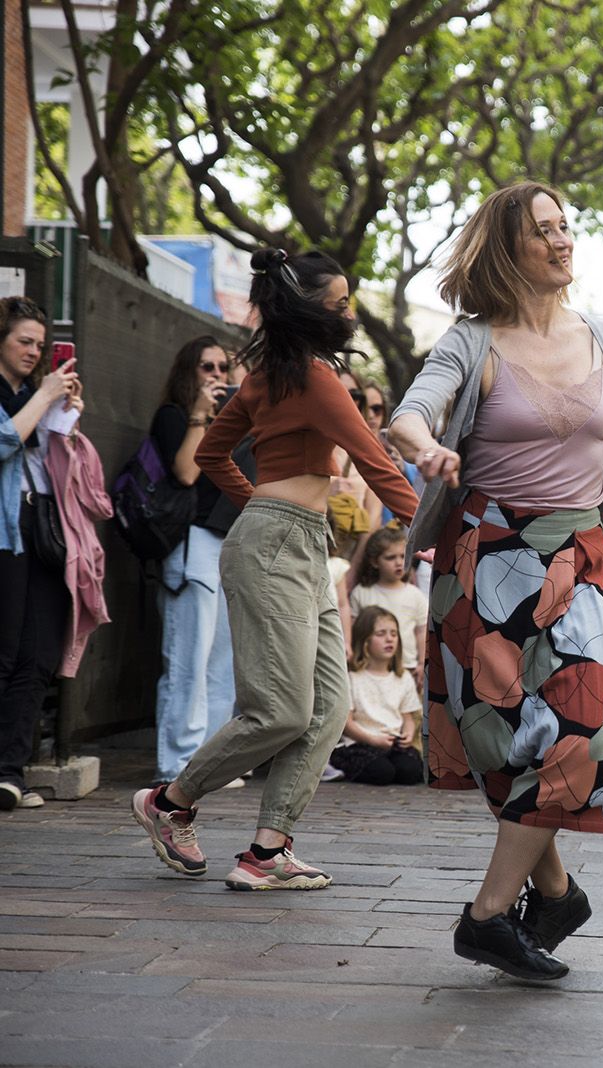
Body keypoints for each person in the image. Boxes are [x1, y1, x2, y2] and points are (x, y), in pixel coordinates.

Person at [388, 181, 603, 981]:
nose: (563, 240)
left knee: (592, 738)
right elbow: (409, 413)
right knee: (505, 749)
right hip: (485, 560)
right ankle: (557, 894)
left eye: (566, 226)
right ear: (509, 249)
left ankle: (487, 917)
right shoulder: (471, 342)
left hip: (580, 558)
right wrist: (427, 449)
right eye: (543, 231)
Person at [133, 248, 418, 889]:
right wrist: (430, 532)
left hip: (297, 542)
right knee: (281, 710)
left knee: (329, 702)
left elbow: (212, 452)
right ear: (308, 309)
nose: (349, 313)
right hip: (274, 546)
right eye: (340, 303)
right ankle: (169, 802)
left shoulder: (272, 375)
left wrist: (257, 504)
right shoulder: (314, 380)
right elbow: (373, 458)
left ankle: (267, 851)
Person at [143, 337, 245, 787]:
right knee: (189, 655)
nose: (217, 375)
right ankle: (178, 762)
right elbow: (186, 472)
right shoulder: (175, 416)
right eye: (207, 367)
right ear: (190, 370)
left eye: (223, 367)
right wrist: (201, 414)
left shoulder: (232, 419)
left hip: (228, 542)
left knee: (222, 658)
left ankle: (209, 762)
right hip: (191, 543)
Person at [0, 297, 81, 812]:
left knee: (40, 653)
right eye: (22, 342)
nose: (33, 351)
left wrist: (63, 411)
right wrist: (44, 396)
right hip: (5, 533)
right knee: (5, 651)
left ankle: (11, 771)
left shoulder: (34, 392)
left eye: (39, 344)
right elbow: (5, 439)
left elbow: (52, 454)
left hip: (45, 530)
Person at [330, 606, 425, 786]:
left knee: (411, 772)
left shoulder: (402, 677)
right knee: (382, 773)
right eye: (381, 634)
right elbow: (346, 723)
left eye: (394, 634)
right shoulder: (352, 678)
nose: (389, 639)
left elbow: (408, 718)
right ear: (365, 640)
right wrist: (372, 739)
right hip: (360, 743)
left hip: (391, 742)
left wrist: (408, 734)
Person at [349, 527, 428, 688]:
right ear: (374, 561)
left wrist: (422, 663)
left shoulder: (415, 595)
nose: (399, 562)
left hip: (407, 668)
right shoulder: (362, 593)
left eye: (403, 556)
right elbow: (353, 629)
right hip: (369, 669)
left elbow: (421, 631)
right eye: (390, 557)